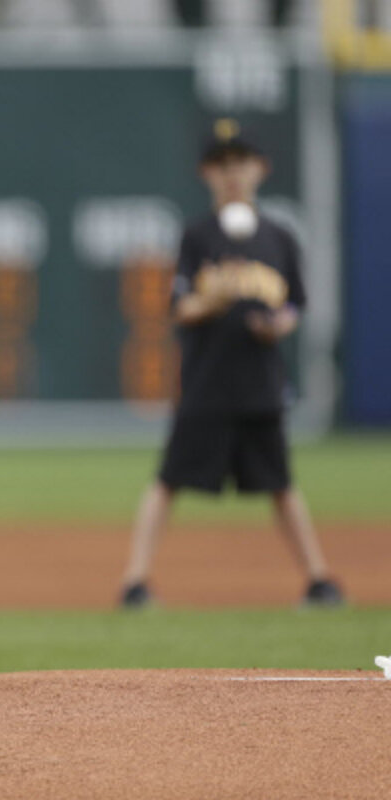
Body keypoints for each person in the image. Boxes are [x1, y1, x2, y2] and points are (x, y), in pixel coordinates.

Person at [119, 119, 344, 610]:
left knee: (281, 485)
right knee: (168, 481)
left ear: (260, 168)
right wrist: (212, 299)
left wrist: (279, 324)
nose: (232, 173)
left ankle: (318, 578)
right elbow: (179, 307)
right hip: (206, 383)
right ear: (207, 173)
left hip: (260, 383)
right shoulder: (197, 237)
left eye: (241, 162)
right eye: (221, 164)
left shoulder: (279, 238)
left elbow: (294, 305)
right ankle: (135, 581)